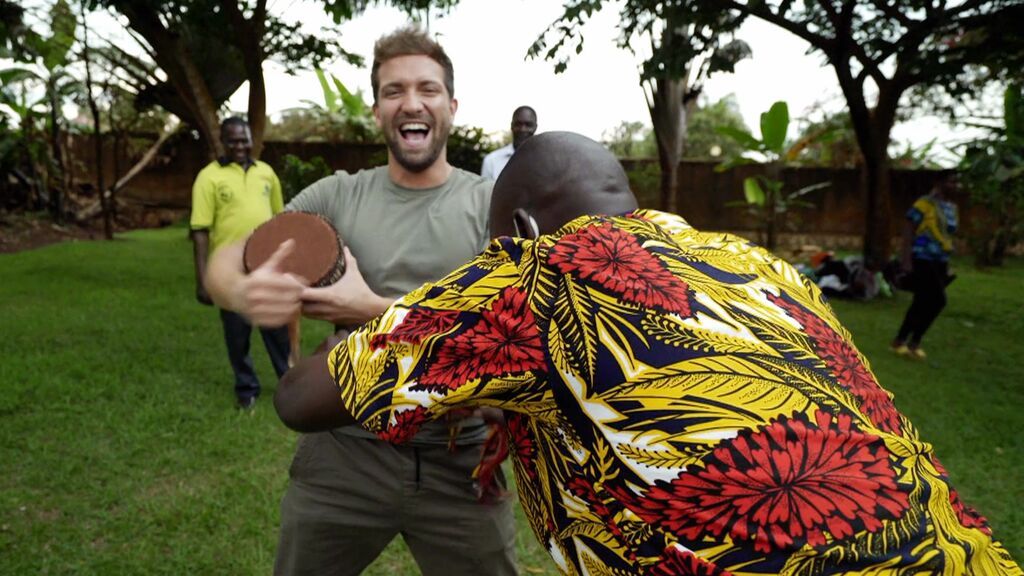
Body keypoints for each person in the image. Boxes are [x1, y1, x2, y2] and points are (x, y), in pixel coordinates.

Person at [274, 132, 1021, 575]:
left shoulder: (540, 273)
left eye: (499, 244)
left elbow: (300, 400)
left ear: (525, 227)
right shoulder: (756, 264)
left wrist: (366, 309)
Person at [205, 27, 517, 576]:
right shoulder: (338, 194)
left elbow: (505, 337)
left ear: (451, 106)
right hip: (345, 448)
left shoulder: (490, 204)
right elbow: (230, 256)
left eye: (427, 89)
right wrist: (243, 289)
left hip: (459, 456)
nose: (411, 102)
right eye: (394, 91)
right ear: (376, 111)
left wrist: (369, 308)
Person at [190, 116, 289, 410]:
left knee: (277, 330)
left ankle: (289, 384)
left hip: (267, 266)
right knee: (237, 335)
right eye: (232, 140)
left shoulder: (266, 174)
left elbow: (280, 221)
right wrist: (202, 279)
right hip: (228, 271)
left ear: (252, 140)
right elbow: (199, 232)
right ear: (222, 142)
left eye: (244, 140)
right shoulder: (209, 177)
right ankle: (246, 389)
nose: (239, 146)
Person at [891, 174, 959, 359]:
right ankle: (914, 340)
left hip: (941, 260)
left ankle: (902, 341)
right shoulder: (925, 203)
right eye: (950, 181)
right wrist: (905, 259)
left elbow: (948, 234)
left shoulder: (952, 208)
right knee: (938, 300)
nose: (954, 185)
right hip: (922, 257)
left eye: (956, 182)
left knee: (921, 301)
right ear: (939, 183)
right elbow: (908, 228)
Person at [480, 105, 537, 180]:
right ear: (512, 126)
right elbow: (485, 191)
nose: (523, 129)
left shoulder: (546, 161)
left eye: (528, 125)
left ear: (535, 127)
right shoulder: (491, 160)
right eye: (518, 124)